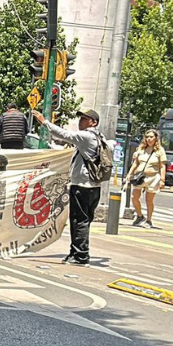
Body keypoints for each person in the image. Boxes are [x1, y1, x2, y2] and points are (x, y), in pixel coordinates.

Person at [33, 109, 105, 265]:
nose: (81, 122)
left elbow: (64, 135)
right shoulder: (101, 138)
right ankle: (75, 252)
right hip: (94, 186)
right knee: (83, 220)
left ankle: (80, 255)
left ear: (93, 122)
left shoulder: (86, 136)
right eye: (80, 118)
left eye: (84, 119)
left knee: (79, 220)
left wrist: (43, 121)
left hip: (82, 186)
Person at [125, 128, 167, 228]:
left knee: (149, 200)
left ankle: (149, 220)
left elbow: (162, 166)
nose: (149, 139)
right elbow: (136, 163)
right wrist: (129, 174)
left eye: (151, 137)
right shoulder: (141, 149)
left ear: (156, 138)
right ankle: (140, 216)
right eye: (147, 137)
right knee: (134, 197)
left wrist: (162, 180)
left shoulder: (160, 151)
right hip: (140, 176)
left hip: (153, 177)